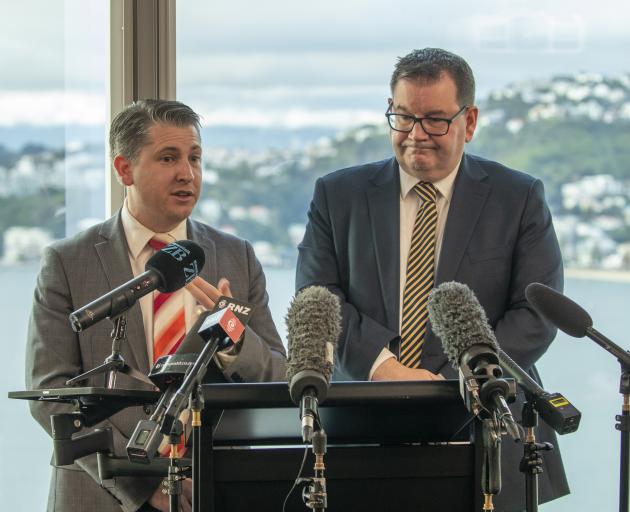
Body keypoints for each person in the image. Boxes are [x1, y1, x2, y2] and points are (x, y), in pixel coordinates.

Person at [296, 48, 569, 509]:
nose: (416, 135)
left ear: (470, 120)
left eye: (435, 120)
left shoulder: (518, 197)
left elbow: (536, 313)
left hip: (489, 430)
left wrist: (447, 382)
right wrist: (388, 370)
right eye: (402, 117)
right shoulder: (337, 195)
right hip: (364, 426)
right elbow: (317, 297)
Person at [26, 99, 287, 512]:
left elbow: (277, 374)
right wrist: (145, 482)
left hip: (213, 488)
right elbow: (51, 394)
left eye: (195, 157)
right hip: (102, 493)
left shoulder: (237, 256)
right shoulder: (66, 262)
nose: (188, 173)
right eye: (169, 158)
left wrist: (233, 338)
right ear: (124, 169)